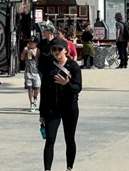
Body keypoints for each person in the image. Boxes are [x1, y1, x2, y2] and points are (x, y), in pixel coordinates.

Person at [39, 37, 82, 171]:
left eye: (59, 49)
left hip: (70, 108)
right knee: (50, 139)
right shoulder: (48, 66)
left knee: (69, 139)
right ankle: (47, 169)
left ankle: (69, 167)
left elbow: (78, 87)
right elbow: (44, 91)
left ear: (66, 50)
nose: (57, 52)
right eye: (54, 49)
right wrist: (42, 113)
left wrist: (67, 84)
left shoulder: (73, 66)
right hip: (52, 109)